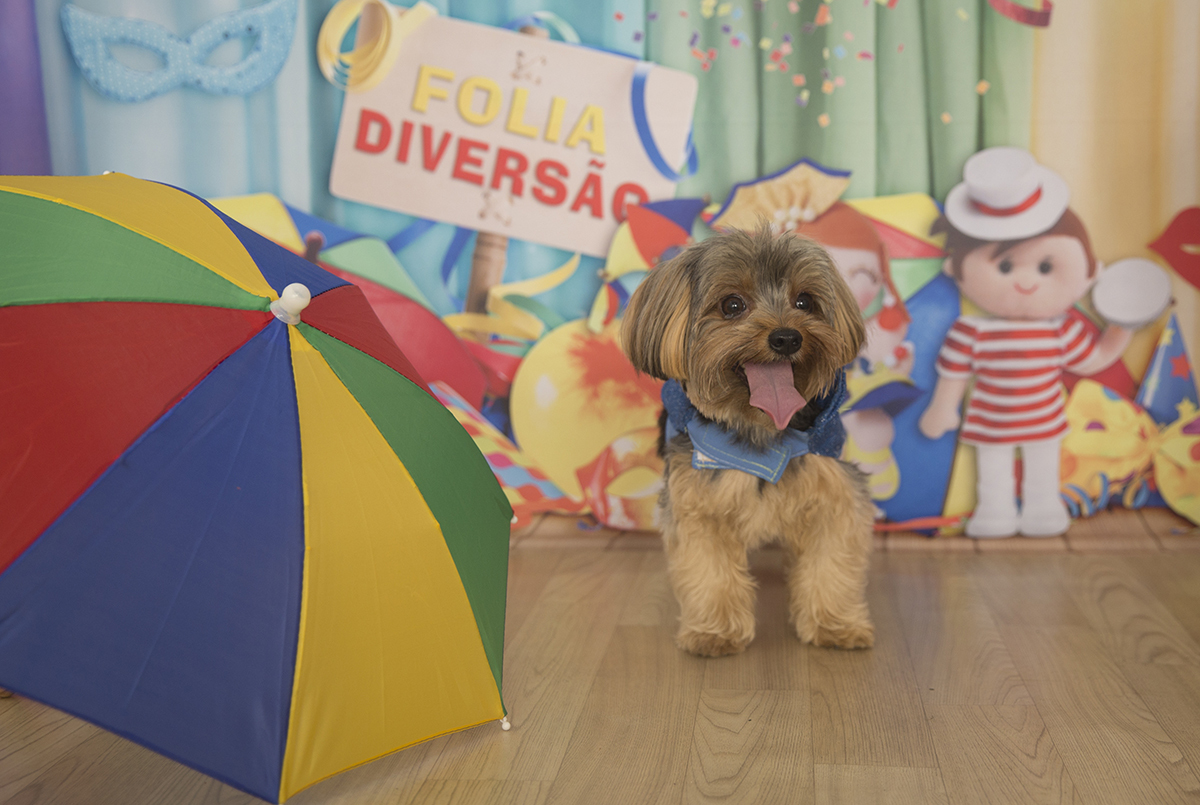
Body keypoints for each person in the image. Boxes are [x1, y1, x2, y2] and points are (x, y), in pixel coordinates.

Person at [918, 147, 1132, 537]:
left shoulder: (1059, 329)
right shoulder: (971, 331)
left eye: (1045, 266)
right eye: (1005, 266)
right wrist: (943, 408)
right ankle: (994, 512)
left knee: (1043, 470)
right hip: (990, 422)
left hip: (1045, 420)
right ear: (955, 268)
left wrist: (1123, 325)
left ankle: (1043, 508)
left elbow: (1093, 358)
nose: (1026, 281)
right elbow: (954, 373)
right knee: (993, 472)